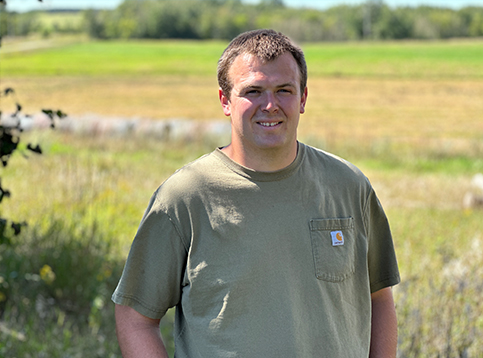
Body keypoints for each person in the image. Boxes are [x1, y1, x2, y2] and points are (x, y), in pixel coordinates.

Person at [112, 29, 400, 358]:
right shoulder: (184, 197)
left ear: (303, 98)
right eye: (253, 91)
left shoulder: (349, 186)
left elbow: (379, 298)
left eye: (284, 90)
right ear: (225, 100)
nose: (270, 105)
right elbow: (136, 316)